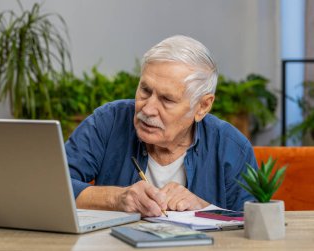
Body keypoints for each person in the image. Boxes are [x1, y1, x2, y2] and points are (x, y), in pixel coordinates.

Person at [65, 35, 258, 217]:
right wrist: (117, 198)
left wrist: (204, 209)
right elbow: (50, 186)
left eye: (167, 99)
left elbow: (252, 224)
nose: (148, 109)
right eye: (145, 90)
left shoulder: (231, 147)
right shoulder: (109, 121)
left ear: (202, 106)